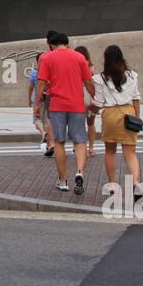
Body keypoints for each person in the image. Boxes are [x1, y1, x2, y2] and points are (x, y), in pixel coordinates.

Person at [37, 31, 95, 193]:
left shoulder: (47, 58)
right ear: (67, 43)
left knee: (59, 142)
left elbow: (41, 82)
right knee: (80, 141)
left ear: (52, 45)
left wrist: (37, 104)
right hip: (77, 105)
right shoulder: (79, 57)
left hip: (57, 106)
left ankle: (63, 181)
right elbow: (88, 81)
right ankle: (80, 172)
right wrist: (95, 97)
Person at [93, 45, 142, 201]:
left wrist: (90, 113)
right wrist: (137, 118)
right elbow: (136, 98)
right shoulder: (132, 76)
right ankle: (136, 183)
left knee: (110, 151)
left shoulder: (100, 78)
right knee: (130, 153)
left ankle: (113, 184)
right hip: (129, 113)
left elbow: (99, 102)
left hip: (110, 115)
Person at [75, 45, 100, 151]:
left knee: (78, 124)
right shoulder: (90, 65)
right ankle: (91, 148)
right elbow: (91, 81)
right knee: (91, 123)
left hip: (78, 95)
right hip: (89, 95)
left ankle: (79, 147)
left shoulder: (74, 64)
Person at [28, 58, 52, 155]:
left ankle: (43, 134)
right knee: (47, 121)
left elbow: (31, 87)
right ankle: (48, 143)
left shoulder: (34, 73)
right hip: (48, 97)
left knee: (37, 120)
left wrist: (29, 98)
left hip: (39, 99)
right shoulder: (49, 71)